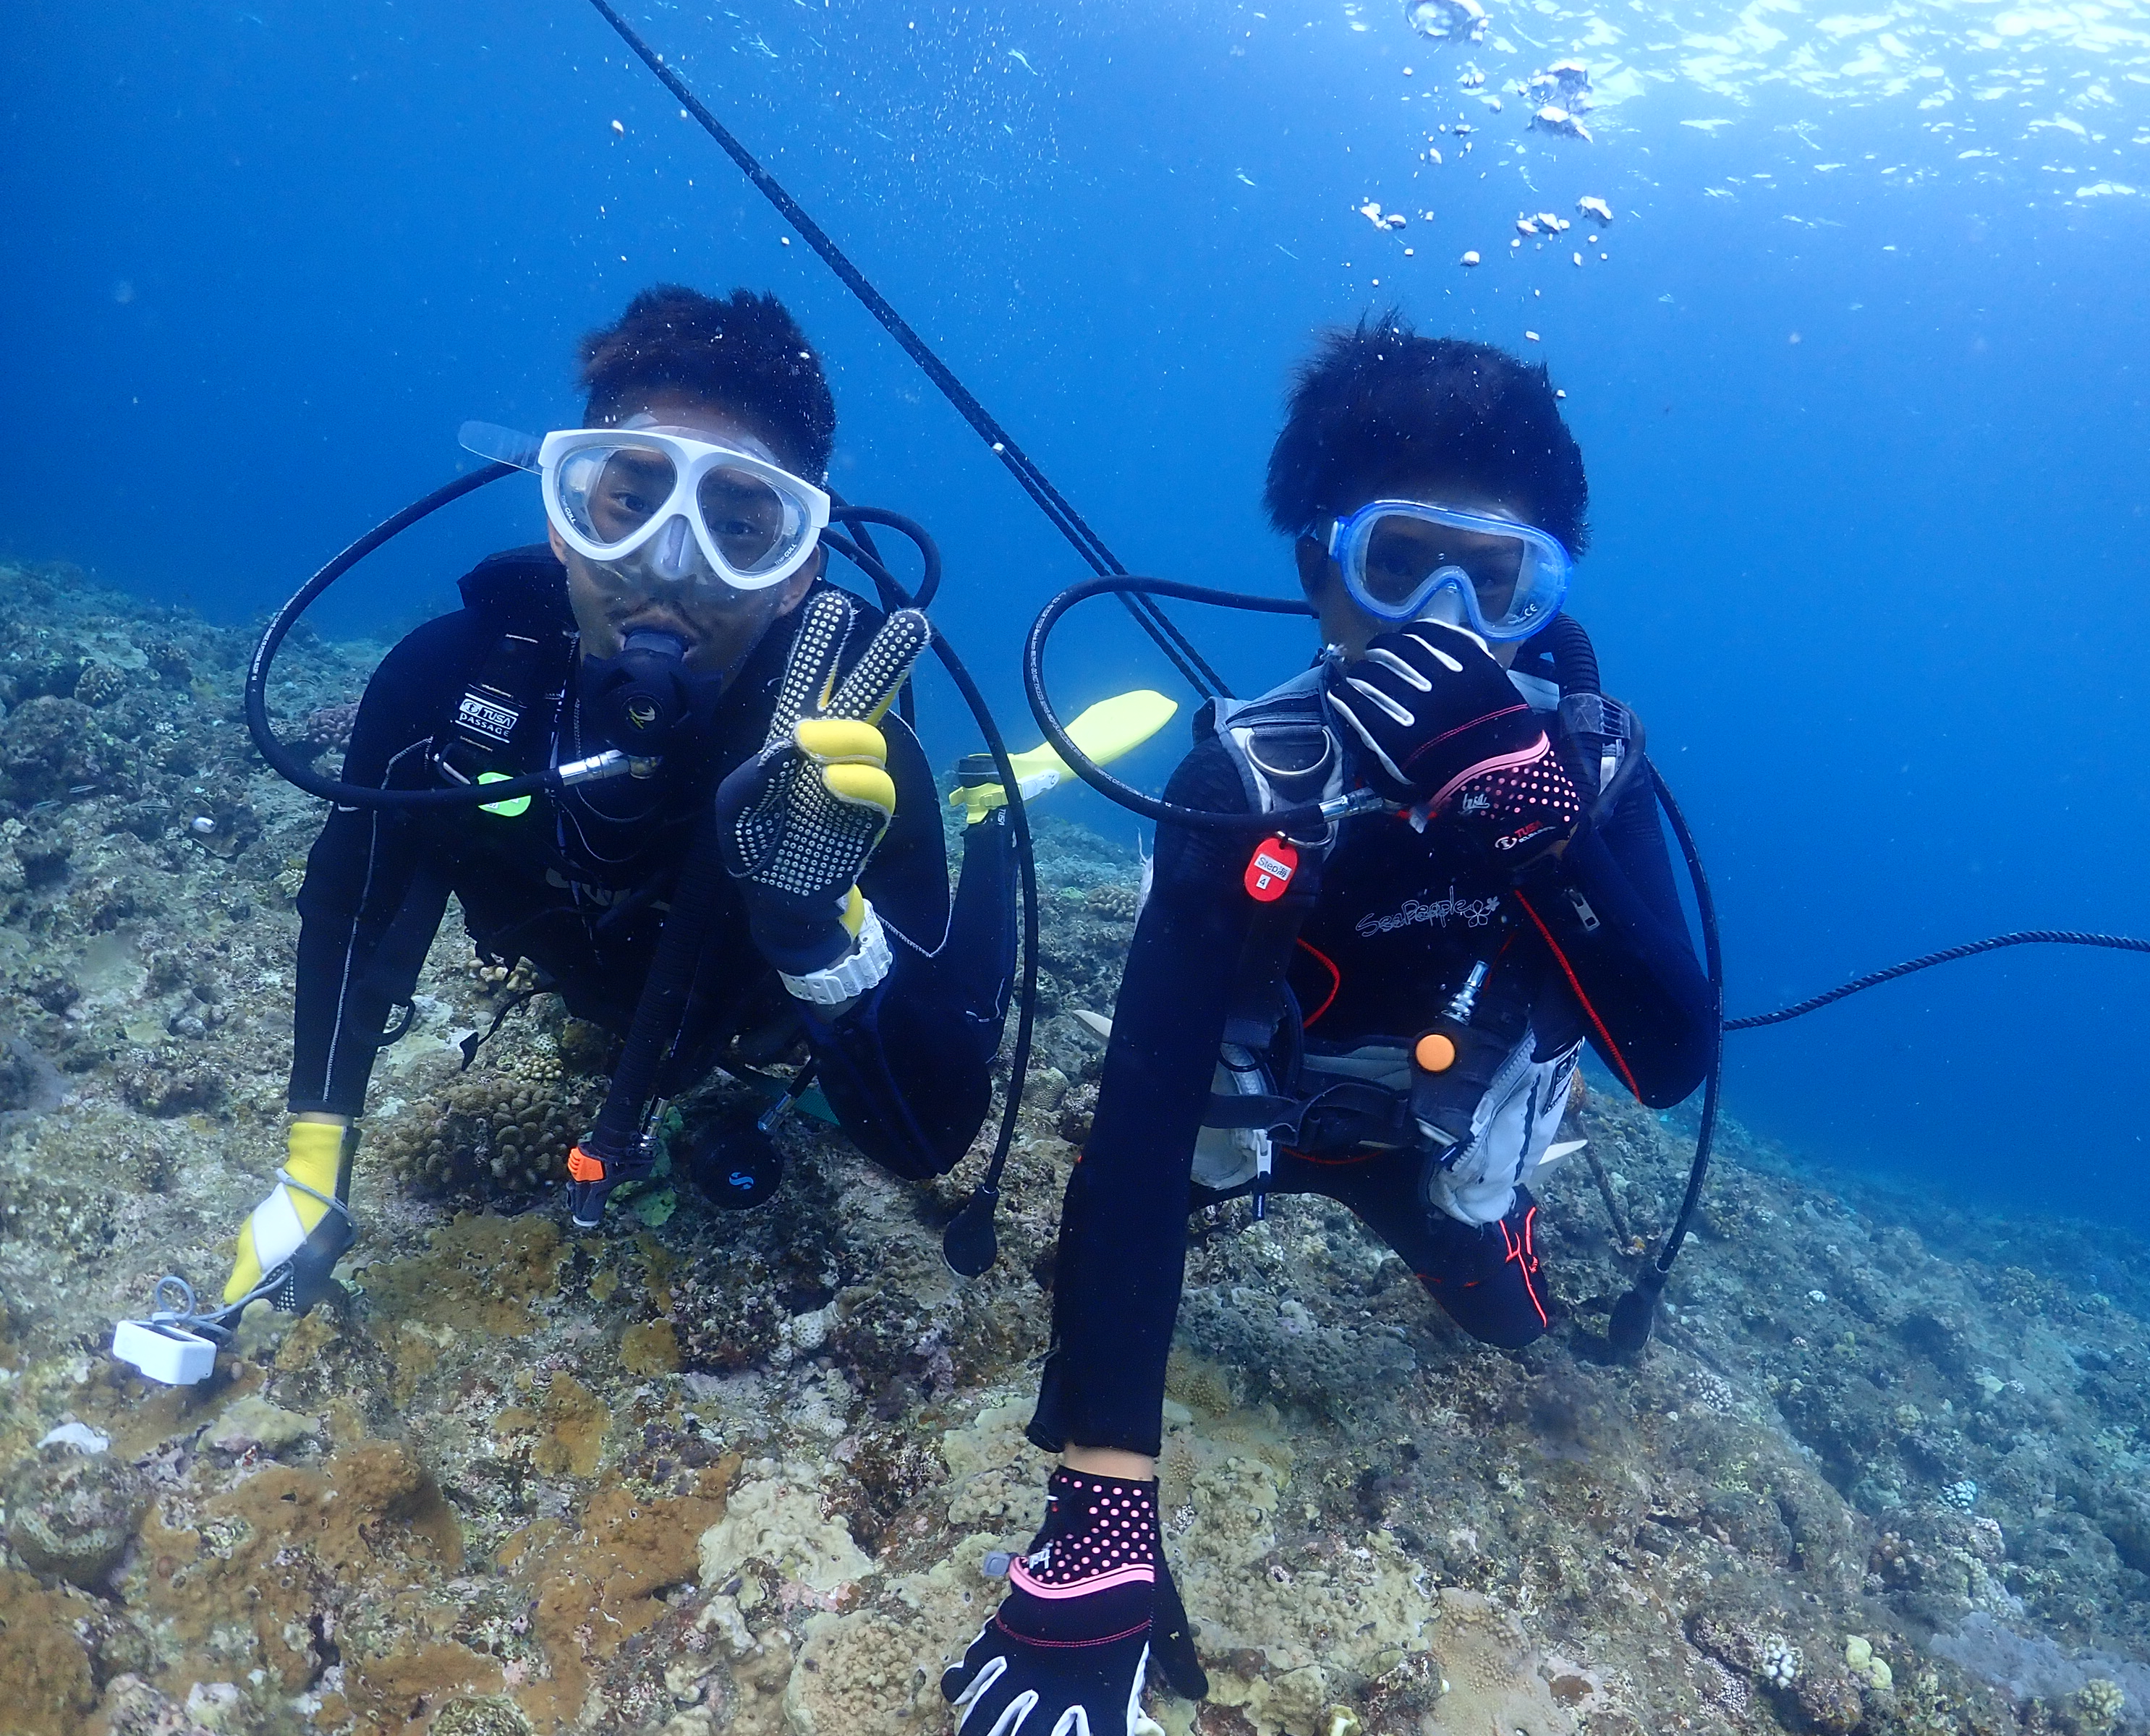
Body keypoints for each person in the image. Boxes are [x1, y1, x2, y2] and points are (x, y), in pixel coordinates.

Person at [940, 315, 1717, 1736]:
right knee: (1099, 1247)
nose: (1445, 627)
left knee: (1510, 1333)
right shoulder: (1250, 782)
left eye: (1496, 583)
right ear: (1320, 573)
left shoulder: (1588, 778)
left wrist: (1543, 834)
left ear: (1543, 598)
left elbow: (1666, 1062)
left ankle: (1483, 1230)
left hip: (1431, 1151)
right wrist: (1104, 1522)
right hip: (1243, 1127)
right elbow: (1137, 1134)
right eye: (1398, 566)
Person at [218, 285, 1021, 1316]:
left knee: (959, 992)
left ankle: (994, 810)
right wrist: (311, 1168)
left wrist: (819, 936)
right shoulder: (445, 690)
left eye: (740, 528)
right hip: (605, 992)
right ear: (564, 521)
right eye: (632, 505)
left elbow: (930, 1138)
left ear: (797, 572)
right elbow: (352, 909)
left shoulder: (841, 755)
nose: (669, 571)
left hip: (760, 1025)